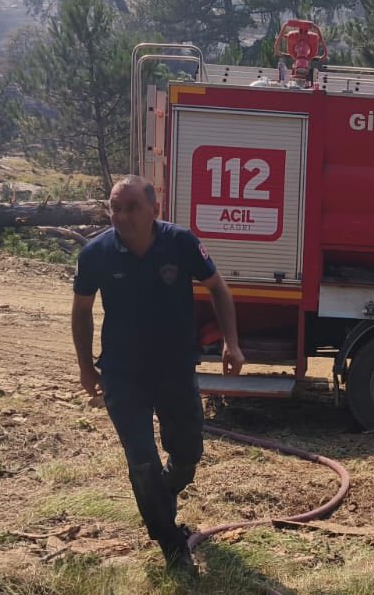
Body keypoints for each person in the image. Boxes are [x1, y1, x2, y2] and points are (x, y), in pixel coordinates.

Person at [71, 176, 245, 571]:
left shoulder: (180, 243)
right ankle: (171, 543)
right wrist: (85, 368)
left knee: (187, 453)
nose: (122, 216)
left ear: (155, 210)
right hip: (122, 372)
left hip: (174, 367)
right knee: (141, 459)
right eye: (116, 208)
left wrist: (231, 343)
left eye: (132, 207)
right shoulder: (96, 254)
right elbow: (81, 310)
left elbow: (218, 288)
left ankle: (161, 495)